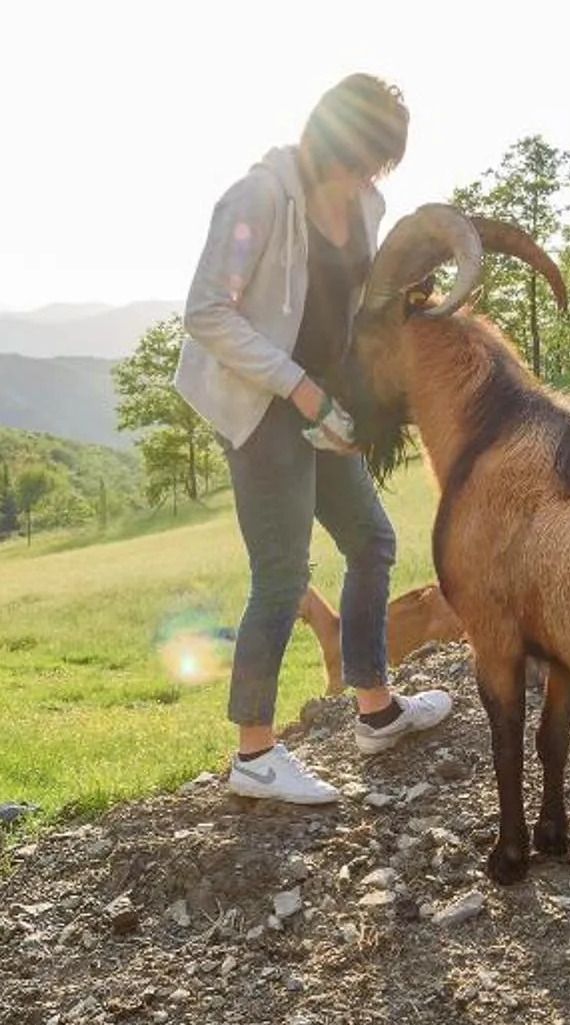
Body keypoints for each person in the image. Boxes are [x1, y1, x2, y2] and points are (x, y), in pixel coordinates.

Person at [175, 74, 453, 804]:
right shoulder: (259, 197)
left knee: (371, 539)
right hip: (261, 400)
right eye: (363, 157)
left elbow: (356, 303)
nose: (367, 177)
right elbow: (206, 312)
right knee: (281, 573)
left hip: (320, 399)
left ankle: (375, 708)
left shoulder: (366, 204)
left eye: (379, 165)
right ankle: (254, 754)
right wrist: (295, 383)